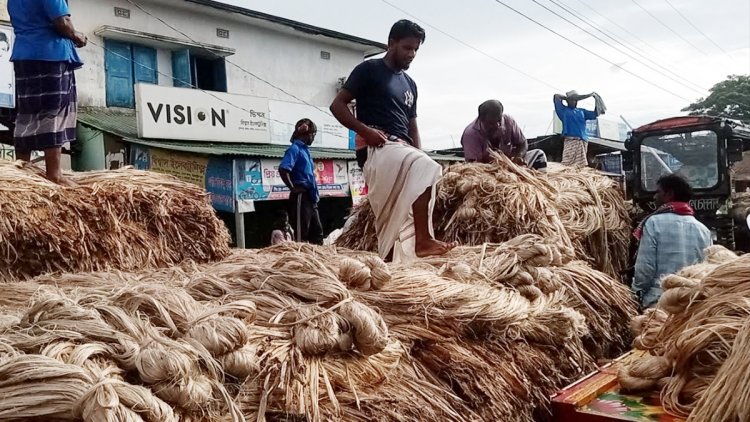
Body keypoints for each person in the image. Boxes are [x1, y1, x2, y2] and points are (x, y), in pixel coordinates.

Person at [330, 19, 456, 262]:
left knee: (393, 216)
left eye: (416, 50)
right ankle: (424, 240)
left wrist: (418, 152)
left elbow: (412, 124)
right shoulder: (368, 70)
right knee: (427, 168)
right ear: (392, 43)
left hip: (402, 148)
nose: (412, 54)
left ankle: (389, 265)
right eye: (407, 48)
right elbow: (337, 105)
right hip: (377, 147)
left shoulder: (410, 84)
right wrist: (366, 132)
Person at [8, 0, 87, 184]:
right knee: (53, 111)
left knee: (27, 113)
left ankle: (22, 167)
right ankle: (54, 174)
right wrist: (77, 36)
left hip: (24, 56)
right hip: (50, 55)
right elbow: (62, 23)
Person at [632, 174, 712, 309]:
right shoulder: (703, 229)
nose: (654, 197)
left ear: (669, 194)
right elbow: (707, 268)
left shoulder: (653, 223)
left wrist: (636, 293)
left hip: (660, 300)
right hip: (693, 302)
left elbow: (645, 268)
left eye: (658, 192)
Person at [461, 99, 547, 171]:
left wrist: (518, 157)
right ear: (481, 119)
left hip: (512, 165)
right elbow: (473, 166)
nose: (497, 125)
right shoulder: (471, 134)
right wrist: (497, 169)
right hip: (487, 172)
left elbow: (523, 143)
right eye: (491, 123)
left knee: (539, 155)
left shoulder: (508, 121)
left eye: (499, 121)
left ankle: (541, 187)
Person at [279, 118, 324, 245]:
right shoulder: (294, 149)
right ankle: (299, 262)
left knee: (317, 233)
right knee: (301, 234)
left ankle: (318, 261)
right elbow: (283, 169)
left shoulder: (306, 150)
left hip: (311, 197)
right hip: (301, 196)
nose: (313, 138)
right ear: (306, 133)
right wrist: (293, 188)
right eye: (313, 134)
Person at [553, 90, 605, 167]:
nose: (574, 102)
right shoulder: (563, 110)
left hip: (582, 141)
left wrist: (596, 99)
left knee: (580, 166)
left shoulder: (581, 111)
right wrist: (568, 97)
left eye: (576, 100)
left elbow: (595, 113)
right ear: (568, 101)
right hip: (570, 141)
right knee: (567, 163)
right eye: (572, 100)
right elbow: (556, 96)